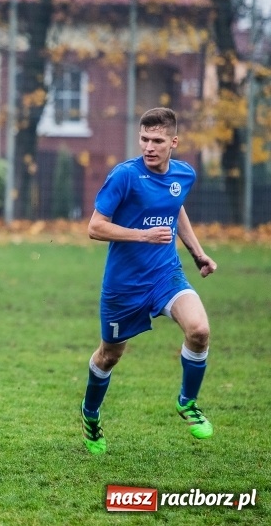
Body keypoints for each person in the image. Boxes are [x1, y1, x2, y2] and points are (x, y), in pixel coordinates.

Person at [80, 107, 217, 455]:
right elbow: (95, 227)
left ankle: (187, 402)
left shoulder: (184, 174)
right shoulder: (124, 176)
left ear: (174, 142)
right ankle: (90, 414)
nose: (149, 147)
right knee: (109, 356)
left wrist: (197, 252)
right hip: (124, 285)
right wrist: (141, 235)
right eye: (144, 139)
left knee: (199, 330)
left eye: (157, 140)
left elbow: (176, 208)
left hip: (165, 275)